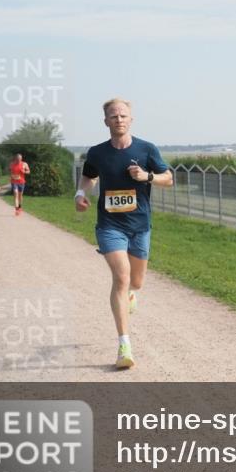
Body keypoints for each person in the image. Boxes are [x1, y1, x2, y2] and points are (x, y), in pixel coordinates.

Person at [75, 98, 173, 369]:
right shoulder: (97, 153)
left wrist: (147, 177)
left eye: (123, 115)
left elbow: (169, 178)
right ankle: (124, 345)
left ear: (131, 119)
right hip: (109, 225)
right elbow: (89, 176)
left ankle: (131, 293)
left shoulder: (146, 149)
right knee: (121, 276)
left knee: (136, 282)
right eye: (113, 116)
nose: (118, 120)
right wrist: (81, 193)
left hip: (140, 224)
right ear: (105, 121)